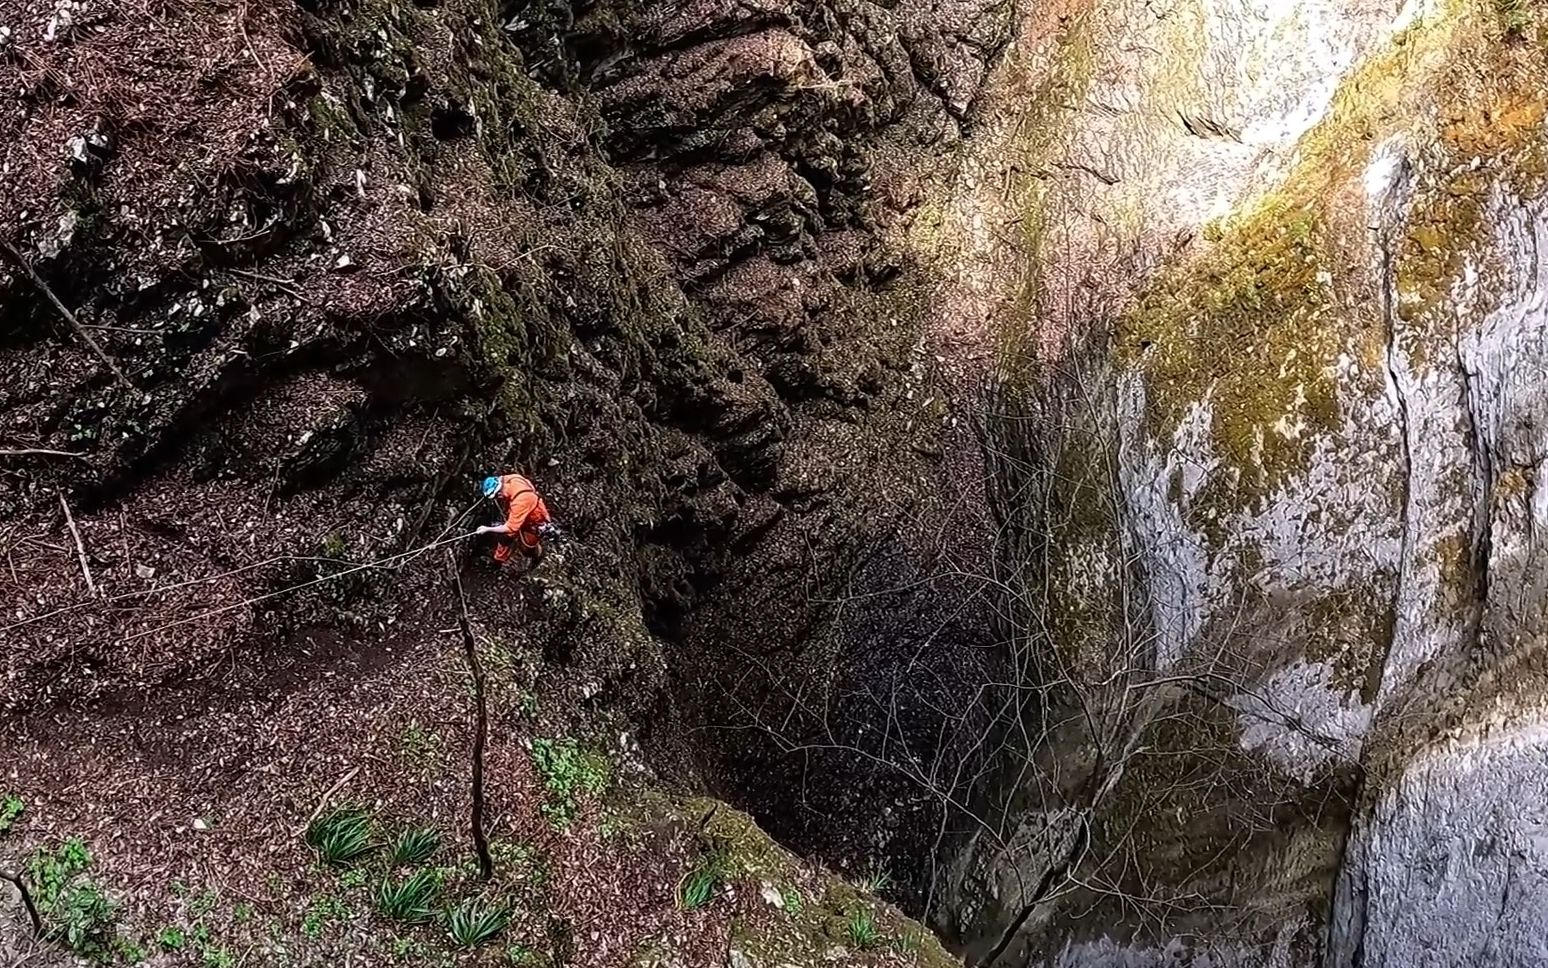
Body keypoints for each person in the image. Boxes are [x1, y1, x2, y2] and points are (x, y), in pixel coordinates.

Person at [477, 474, 557, 568]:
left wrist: (487, 529)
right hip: (518, 512)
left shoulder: (520, 501)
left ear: (499, 493)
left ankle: (537, 557)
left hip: (533, 521)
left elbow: (509, 528)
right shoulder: (512, 478)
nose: (499, 499)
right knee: (505, 538)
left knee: (527, 549)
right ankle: (498, 561)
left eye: (497, 497)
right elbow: (527, 482)